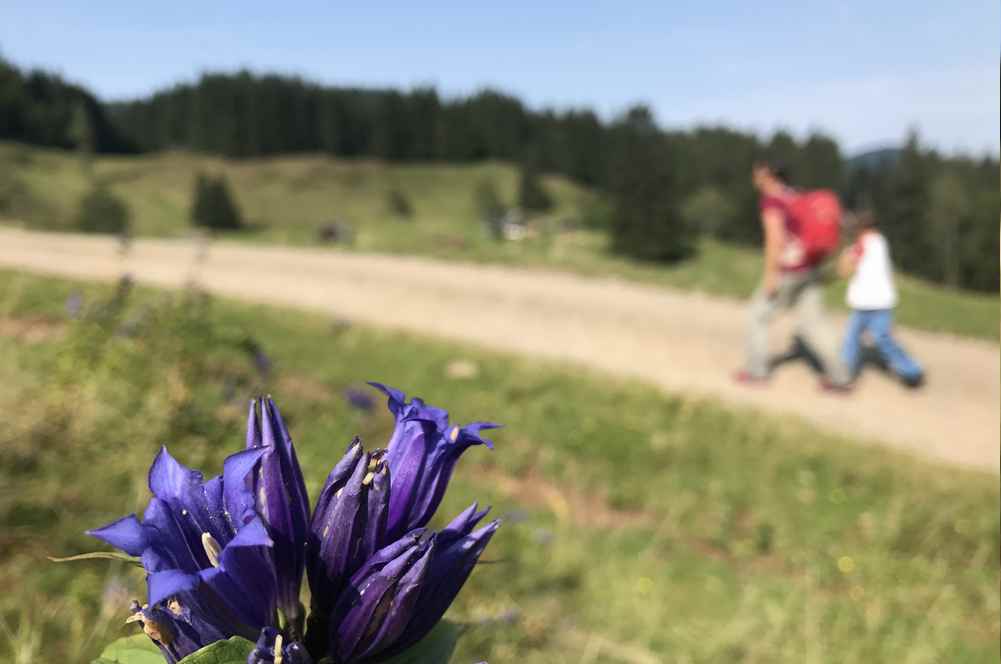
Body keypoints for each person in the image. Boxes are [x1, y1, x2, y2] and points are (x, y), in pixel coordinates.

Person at [735, 160, 851, 390]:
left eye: (758, 171)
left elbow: (775, 240)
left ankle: (756, 373)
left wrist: (771, 275)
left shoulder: (772, 201)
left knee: (757, 316)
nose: (754, 176)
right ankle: (840, 377)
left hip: (788, 271)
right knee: (814, 323)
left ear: (768, 175)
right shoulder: (796, 195)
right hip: (811, 268)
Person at [837, 210, 924, 387]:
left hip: (868, 303)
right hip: (880, 302)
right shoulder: (881, 242)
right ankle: (912, 370)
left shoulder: (863, 243)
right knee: (876, 338)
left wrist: (845, 249)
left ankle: (844, 373)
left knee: (856, 339)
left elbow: (844, 271)